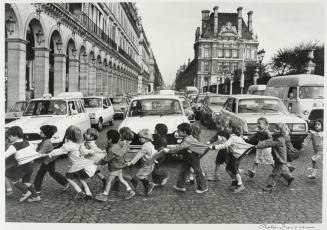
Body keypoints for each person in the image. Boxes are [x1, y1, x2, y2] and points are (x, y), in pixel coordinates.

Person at [48, 126, 97, 199]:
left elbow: (59, 151)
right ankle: (88, 192)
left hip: (78, 165)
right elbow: (86, 152)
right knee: (81, 178)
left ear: (68, 135)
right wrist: (92, 151)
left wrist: (50, 153)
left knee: (68, 177)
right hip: (87, 166)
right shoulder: (81, 143)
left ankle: (80, 192)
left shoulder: (68, 145)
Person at [163, 123, 209, 194]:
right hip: (188, 158)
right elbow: (183, 148)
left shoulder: (188, 140)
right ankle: (180, 186)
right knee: (184, 171)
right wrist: (177, 152)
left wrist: (169, 151)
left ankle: (203, 187)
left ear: (184, 132)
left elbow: (180, 147)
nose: (177, 132)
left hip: (193, 158)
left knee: (197, 172)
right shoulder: (187, 138)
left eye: (179, 131)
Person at [210, 124, 253, 193]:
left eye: (229, 128)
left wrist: (213, 147)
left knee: (235, 171)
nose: (228, 129)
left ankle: (240, 185)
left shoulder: (233, 138)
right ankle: (234, 181)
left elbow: (225, 145)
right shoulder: (239, 137)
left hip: (235, 157)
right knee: (228, 169)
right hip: (235, 156)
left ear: (233, 130)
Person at [95, 129, 136, 202]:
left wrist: (98, 163)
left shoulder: (112, 149)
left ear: (110, 139)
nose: (106, 139)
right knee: (122, 180)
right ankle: (130, 191)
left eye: (107, 138)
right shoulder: (117, 146)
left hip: (115, 167)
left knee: (109, 181)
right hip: (119, 166)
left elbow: (107, 159)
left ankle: (104, 195)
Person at [31, 125, 69, 202]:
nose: (40, 133)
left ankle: (37, 191)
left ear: (45, 134)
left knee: (40, 174)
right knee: (52, 173)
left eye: (41, 132)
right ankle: (65, 182)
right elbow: (40, 147)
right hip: (50, 159)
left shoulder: (46, 142)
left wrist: (32, 154)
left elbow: (39, 153)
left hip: (48, 160)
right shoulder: (45, 140)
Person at [256, 123, 294, 191]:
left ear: (280, 131)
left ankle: (270, 186)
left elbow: (269, 144)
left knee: (275, 173)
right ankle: (289, 177)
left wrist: (257, 146)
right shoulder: (279, 138)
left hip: (280, 159)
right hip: (279, 159)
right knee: (282, 169)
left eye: (276, 129)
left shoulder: (279, 140)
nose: (274, 129)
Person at [5, 126, 40, 202]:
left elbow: (5, 155)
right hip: (30, 165)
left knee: (14, 180)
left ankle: (26, 192)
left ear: (15, 136)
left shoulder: (13, 146)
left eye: (10, 136)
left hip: (22, 166)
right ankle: (36, 196)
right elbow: (33, 149)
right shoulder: (27, 142)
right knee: (26, 182)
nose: (9, 138)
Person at [126, 129, 157, 196]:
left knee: (139, 175)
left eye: (140, 137)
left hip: (148, 165)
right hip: (150, 164)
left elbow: (138, 156)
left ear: (146, 138)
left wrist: (131, 163)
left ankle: (150, 185)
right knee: (143, 176)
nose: (139, 139)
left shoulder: (145, 146)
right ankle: (147, 190)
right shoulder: (150, 144)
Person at [207, 115, 232, 181]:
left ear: (221, 125)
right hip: (221, 150)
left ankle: (236, 176)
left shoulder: (227, 132)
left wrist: (231, 149)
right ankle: (216, 176)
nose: (215, 125)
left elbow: (231, 141)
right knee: (217, 162)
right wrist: (210, 141)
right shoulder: (219, 131)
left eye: (217, 124)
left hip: (227, 151)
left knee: (229, 165)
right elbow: (215, 137)